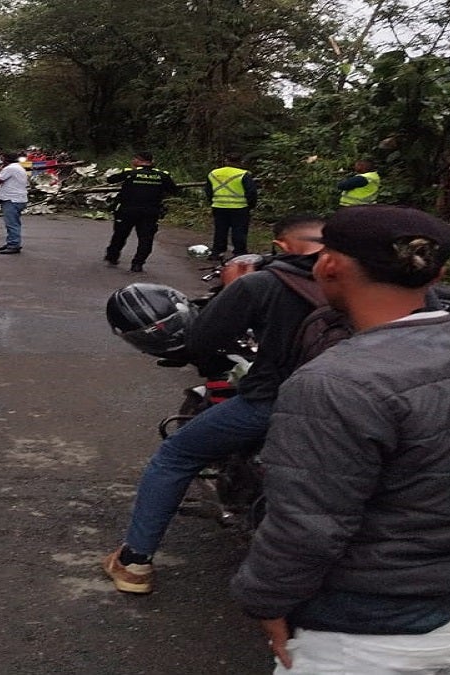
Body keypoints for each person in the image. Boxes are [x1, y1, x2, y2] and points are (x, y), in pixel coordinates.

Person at [230, 205, 450, 674]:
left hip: (369, 632)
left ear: (329, 264)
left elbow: (307, 525)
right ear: (438, 274)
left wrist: (265, 600)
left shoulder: (334, 382)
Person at [103, 214, 327, 594]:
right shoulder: (383, 282)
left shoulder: (263, 283)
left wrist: (234, 288)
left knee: (175, 454)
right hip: (371, 403)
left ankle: (134, 562)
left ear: (283, 245)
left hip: (278, 401)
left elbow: (201, 341)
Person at [104, 152, 179, 272]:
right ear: (151, 161)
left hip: (127, 211)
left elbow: (110, 180)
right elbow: (174, 191)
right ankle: (138, 264)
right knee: (146, 239)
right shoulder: (162, 175)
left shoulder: (130, 173)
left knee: (120, 235)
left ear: (138, 160)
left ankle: (112, 256)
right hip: (150, 212)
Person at [203, 154, 257, 260]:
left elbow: (208, 191)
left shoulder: (213, 173)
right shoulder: (244, 174)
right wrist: (251, 205)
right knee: (239, 230)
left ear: (226, 160)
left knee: (220, 230)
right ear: (240, 162)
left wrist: (212, 202)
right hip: (240, 207)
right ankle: (239, 253)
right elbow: (251, 192)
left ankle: (217, 252)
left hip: (218, 206)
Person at [0, 152, 29, 254]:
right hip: (18, 198)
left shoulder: (10, 168)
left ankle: (14, 244)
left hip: (12, 199)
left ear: (5, 160)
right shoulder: (18, 167)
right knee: (12, 223)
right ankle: (10, 242)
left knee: (12, 223)